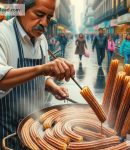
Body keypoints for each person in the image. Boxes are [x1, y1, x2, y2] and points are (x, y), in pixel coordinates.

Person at [0, 0, 75, 149]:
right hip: (6, 131)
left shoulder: (42, 40)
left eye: (48, 17)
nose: (45, 23)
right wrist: (41, 69)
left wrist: (53, 87)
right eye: (39, 14)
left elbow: (43, 76)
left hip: (35, 129)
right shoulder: (3, 34)